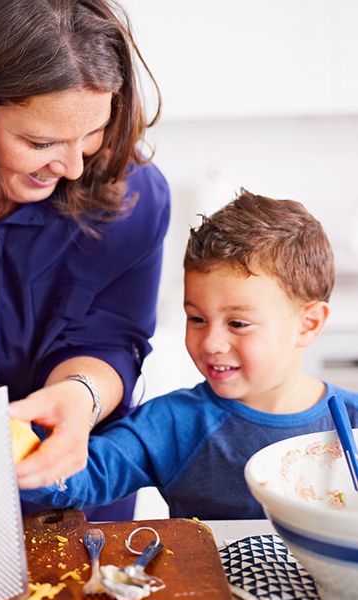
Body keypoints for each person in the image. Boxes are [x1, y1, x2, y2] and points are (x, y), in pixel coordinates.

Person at [0, 0, 170, 519]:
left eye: (92, 132)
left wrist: (81, 397)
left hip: (77, 488)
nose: (73, 166)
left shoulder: (135, 198)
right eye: (41, 141)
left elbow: (110, 339)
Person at [20, 188, 358, 519]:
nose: (210, 342)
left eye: (238, 323)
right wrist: (16, 449)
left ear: (308, 324)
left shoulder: (352, 419)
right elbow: (80, 479)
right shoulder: (173, 424)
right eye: (196, 318)